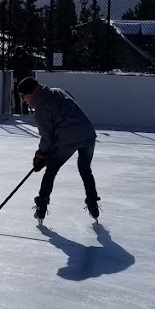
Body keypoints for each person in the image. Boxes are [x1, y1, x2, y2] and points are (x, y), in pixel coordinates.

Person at [16, 75, 100, 221]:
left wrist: (40, 156)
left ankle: (41, 206)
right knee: (85, 169)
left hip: (68, 139)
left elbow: (47, 138)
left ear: (31, 93)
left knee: (51, 170)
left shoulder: (41, 109)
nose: (24, 100)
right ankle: (93, 205)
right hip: (88, 134)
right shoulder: (58, 91)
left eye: (23, 97)